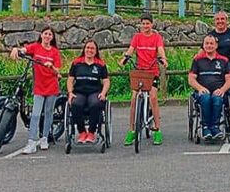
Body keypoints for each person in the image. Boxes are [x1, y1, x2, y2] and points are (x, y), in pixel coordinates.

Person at [10, 27, 63, 155]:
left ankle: (44, 137)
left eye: (50, 34)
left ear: (52, 37)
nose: (47, 36)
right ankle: (31, 141)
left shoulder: (55, 52)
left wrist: (52, 67)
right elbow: (24, 50)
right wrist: (16, 50)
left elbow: (58, 71)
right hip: (39, 86)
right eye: (45, 33)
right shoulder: (36, 47)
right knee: (35, 114)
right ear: (41, 35)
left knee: (48, 113)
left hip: (51, 86)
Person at [121, 14, 167, 146]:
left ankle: (157, 129)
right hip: (139, 72)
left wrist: (163, 59)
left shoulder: (156, 37)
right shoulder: (137, 37)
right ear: (140, 25)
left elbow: (161, 51)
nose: (145, 26)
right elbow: (130, 51)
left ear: (152, 24)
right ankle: (131, 130)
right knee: (134, 98)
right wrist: (125, 58)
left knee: (153, 97)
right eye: (143, 23)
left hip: (152, 72)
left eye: (148, 23)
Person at [188, 35, 230, 140]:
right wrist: (200, 88)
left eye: (211, 43)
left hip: (219, 91)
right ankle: (206, 127)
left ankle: (215, 127)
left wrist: (222, 90)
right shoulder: (197, 60)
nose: (209, 46)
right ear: (203, 45)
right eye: (207, 43)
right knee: (206, 97)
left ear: (216, 45)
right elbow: (191, 79)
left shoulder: (224, 60)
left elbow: (229, 80)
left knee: (217, 99)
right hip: (202, 92)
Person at [67, 40, 110, 144]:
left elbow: (106, 81)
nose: (89, 50)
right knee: (76, 104)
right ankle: (82, 132)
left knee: (95, 104)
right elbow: (70, 79)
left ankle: (91, 132)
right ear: (84, 49)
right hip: (79, 91)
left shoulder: (100, 64)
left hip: (94, 91)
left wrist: (103, 93)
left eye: (92, 48)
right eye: (87, 48)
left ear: (96, 51)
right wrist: (70, 92)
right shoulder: (76, 63)